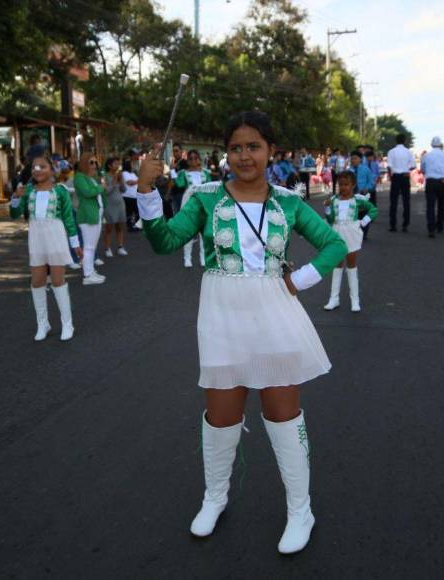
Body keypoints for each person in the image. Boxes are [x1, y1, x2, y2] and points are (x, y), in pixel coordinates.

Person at [135, 110, 347, 554]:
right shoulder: (205, 197)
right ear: (225, 152)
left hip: (275, 314)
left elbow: (335, 244)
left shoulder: (289, 201)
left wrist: (300, 279)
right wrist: (146, 190)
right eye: (236, 147)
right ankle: (215, 497)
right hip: (221, 315)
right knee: (223, 414)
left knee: (283, 414)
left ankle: (300, 509)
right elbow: (165, 242)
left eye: (254, 146)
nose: (244, 155)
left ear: (271, 151)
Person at [9, 156, 80, 341]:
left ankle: (67, 323)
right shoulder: (28, 191)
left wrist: (75, 244)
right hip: (36, 238)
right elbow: (14, 214)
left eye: (42, 166)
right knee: (37, 282)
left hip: (55, 236)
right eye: (34, 167)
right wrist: (16, 198)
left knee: (58, 281)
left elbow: (69, 220)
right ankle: (43, 323)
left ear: (52, 170)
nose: (37, 170)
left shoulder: (60, 191)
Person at [322, 171, 378, 312]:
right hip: (336, 231)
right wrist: (327, 208)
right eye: (340, 184)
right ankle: (334, 299)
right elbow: (330, 219)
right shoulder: (334, 199)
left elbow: (373, 210)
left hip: (351, 232)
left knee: (351, 265)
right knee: (337, 265)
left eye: (346, 184)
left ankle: (355, 300)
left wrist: (362, 222)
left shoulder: (358, 200)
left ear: (353, 185)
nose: (343, 187)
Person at [174, 149, 212, 267]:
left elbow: (210, 187)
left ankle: (203, 258)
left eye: (196, 158)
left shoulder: (206, 172)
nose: (193, 160)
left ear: (199, 159)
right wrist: (174, 174)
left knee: (204, 231)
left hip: (203, 202)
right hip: (189, 202)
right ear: (188, 161)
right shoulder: (183, 173)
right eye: (190, 158)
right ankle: (187, 258)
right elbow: (179, 185)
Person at [74, 152, 107, 285]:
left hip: (95, 214)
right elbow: (88, 193)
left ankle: (91, 271)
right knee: (88, 247)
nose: (94, 165)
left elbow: (97, 192)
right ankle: (87, 275)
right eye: (91, 162)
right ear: (84, 163)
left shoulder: (91, 178)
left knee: (92, 246)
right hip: (87, 216)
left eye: (95, 162)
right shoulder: (79, 177)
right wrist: (100, 187)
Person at [421, 137, 444, 238]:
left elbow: (422, 169)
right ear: (440, 145)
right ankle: (440, 226)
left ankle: (431, 229)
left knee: (430, 206)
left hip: (430, 182)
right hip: (442, 182)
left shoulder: (426, 156)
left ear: (431, 145)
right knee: (441, 205)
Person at [387, 133, 416, 232]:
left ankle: (393, 225)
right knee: (406, 201)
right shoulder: (408, 152)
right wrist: (407, 169)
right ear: (405, 141)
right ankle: (405, 224)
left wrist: (390, 176)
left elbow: (389, 166)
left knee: (393, 201)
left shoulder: (391, 151)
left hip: (395, 177)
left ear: (396, 140)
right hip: (405, 176)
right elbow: (413, 165)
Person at [102, 156, 128, 258]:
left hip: (120, 204)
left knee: (120, 227)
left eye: (118, 163)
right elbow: (106, 191)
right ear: (109, 165)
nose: (118, 166)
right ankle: (107, 248)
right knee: (109, 227)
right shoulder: (104, 176)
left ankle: (120, 247)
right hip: (109, 205)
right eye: (115, 164)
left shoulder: (120, 176)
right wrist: (114, 181)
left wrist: (121, 181)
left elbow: (124, 190)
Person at [121, 157, 141, 232]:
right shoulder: (124, 173)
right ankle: (130, 226)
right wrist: (139, 179)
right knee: (129, 212)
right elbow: (130, 183)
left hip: (135, 196)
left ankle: (136, 225)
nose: (133, 166)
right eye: (132, 164)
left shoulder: (133, 173)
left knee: (137, 212)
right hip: (128, 196)